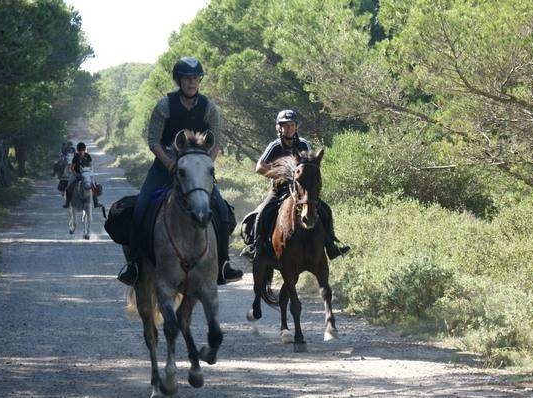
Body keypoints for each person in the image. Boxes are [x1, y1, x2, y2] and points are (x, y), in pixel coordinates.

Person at [117, 56, 243, 286]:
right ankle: (135, 265)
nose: (191, 83)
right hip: (166, 167)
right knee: (141, 208)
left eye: (195, 78)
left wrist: (206, 167)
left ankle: (223, 264)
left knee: (223, 211)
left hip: (197, 171)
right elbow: (153, 141)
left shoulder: (210, 108)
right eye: (187, 78)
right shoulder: (164, 106)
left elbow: (216, 143)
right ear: (178, 80)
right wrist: (170, 164)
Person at [240, 109, 350, 261]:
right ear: (279, 128)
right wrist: (281, 174)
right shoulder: (274, 146)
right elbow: (259, 167)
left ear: (296, 126)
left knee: (326, 210)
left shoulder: (305, 144)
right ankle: (255, 247)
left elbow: (313, 166)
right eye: (285, 125)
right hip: (279, 189)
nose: (289, 128)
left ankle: (331, 246)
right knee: (262, 212)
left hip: (302, 191)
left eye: (291, 125)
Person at [63, 142, 101, 209]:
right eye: (80, 151)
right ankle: (67, 202)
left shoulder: (88, 156)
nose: (81, 152)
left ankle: (96, 201)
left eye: (82, 150)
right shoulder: (75, 157)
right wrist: (76, 175)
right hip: (76, 174)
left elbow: (90, 165)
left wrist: (89, 172)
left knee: (94, 185)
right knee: (69, 186)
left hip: (86, 173)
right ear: (77, 150)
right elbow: (72, 168)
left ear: (84, 150)